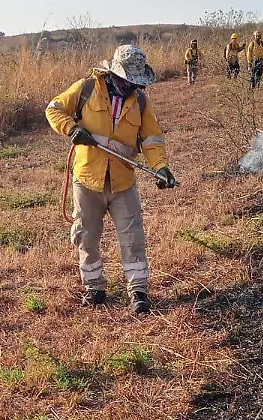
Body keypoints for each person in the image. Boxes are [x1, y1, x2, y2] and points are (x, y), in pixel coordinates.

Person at [45, 45, 178, 314]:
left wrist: (161, 167)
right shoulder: (87, 88)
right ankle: (94, 288)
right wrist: (72, 129)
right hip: (87, 179)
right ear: (114, 74)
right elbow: (54, 109)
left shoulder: (140, 102)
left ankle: (138, 290)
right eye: (127, 81)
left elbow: (151, 139)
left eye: (136, 83)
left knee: (133, 238)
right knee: (87, 236)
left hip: (123, 183)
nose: (132, 87)